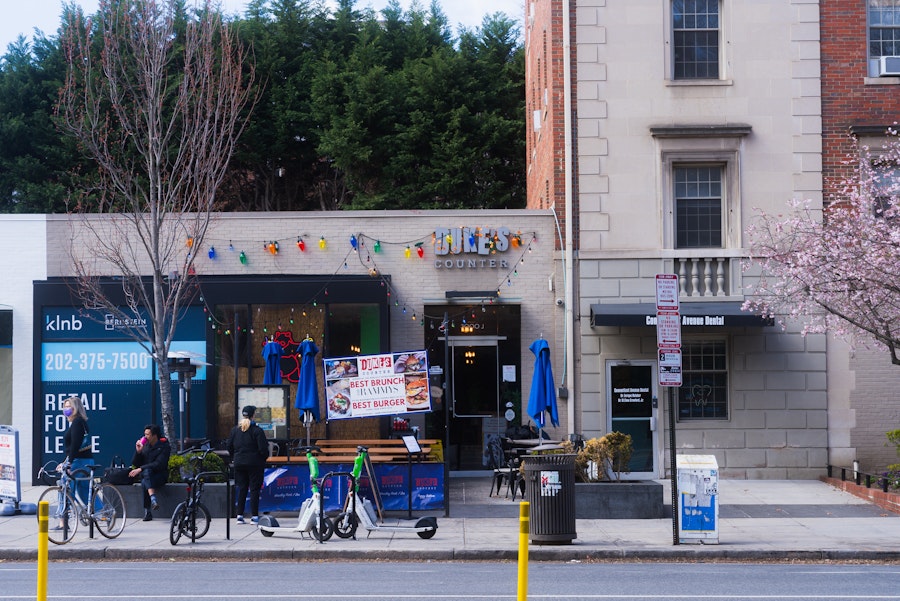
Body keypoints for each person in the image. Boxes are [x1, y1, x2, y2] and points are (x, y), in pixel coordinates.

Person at [226, 405, 268, 525]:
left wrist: (234, 457)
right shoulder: (257, 431)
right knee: (254, 489)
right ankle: (254, 517)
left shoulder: (235, 430)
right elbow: (263, 449)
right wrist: (262, 459)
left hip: (239, 463)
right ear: (253, 415)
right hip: (255, 463)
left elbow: (229, 446)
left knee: (242, 488)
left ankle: (239, 515)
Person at [55, 396, 92, 528]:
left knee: (64, 487)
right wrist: (65, 461)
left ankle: (62, 522)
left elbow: (75, 445)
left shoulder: (77, 423)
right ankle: (103, 513)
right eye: (65, 406)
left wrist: (69, 463)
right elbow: (76, 447)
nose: (66, 409)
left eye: (69, 406)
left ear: (76, 407)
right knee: (84, 489)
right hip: (85, 459)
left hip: (79, 461)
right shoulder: (80, 422)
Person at [129, 424, 171, 521]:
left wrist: (141, 469)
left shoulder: (164, 446)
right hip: (147, 476)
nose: (145, 437)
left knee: (145, 480)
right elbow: (135, 463)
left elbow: (159, 464)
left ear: (154, 435)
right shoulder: (146, 446)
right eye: (145, 434)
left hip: (159, 475)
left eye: (148, 435)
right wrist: (138, 452)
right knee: (146, 477)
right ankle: (153, 499)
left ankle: (147, 510)